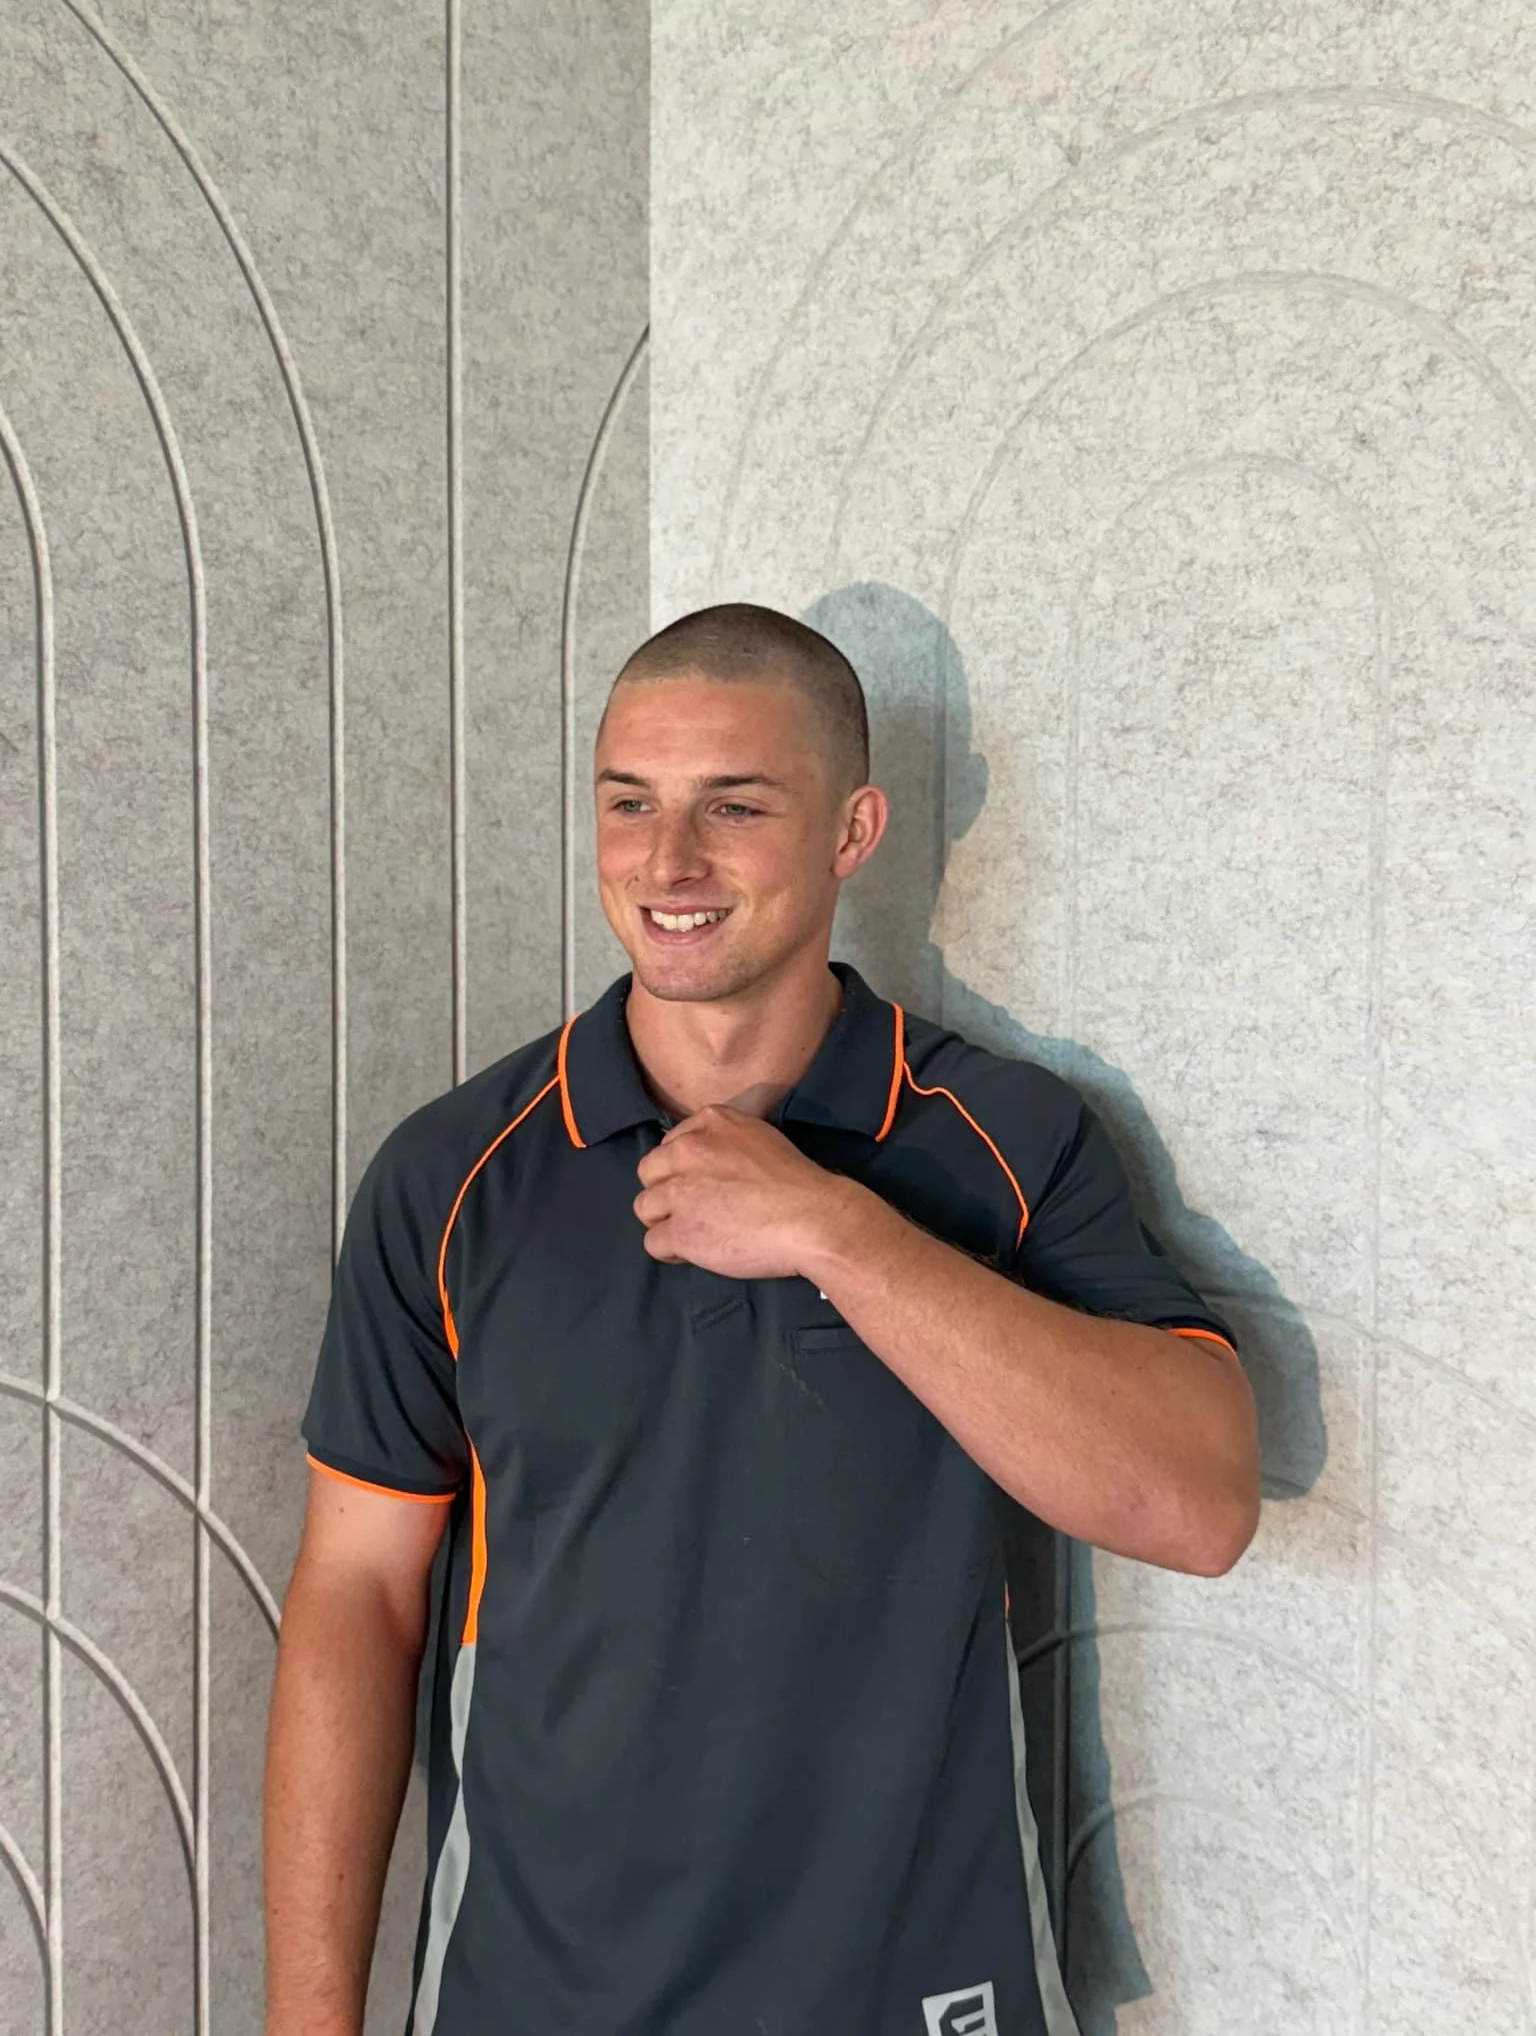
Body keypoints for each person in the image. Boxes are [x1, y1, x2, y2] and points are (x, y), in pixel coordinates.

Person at [262, 603, 1260, 2036]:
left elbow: (1200, 1506)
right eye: (629, 803)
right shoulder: (452, 1175)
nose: (668, 861)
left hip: (917, 1986)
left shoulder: (1003, 1138)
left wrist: (836, 1231)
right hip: (535, 1993)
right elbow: (357, 1595)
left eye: (733, 807)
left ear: (854, 830)